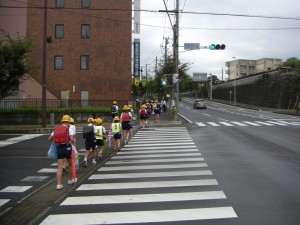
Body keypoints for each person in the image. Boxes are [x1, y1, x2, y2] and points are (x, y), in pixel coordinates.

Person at [48, 115, 76, 190]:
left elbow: (50, 138)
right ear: (68, 122)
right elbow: (72, 139)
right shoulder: (69, 129)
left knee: (59, 167)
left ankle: (59, 184)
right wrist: (72, 143)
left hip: (59, 147)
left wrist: (56, 141)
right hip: (67, 147)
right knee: (70, 164)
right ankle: (70, 180)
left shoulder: (57, 129)